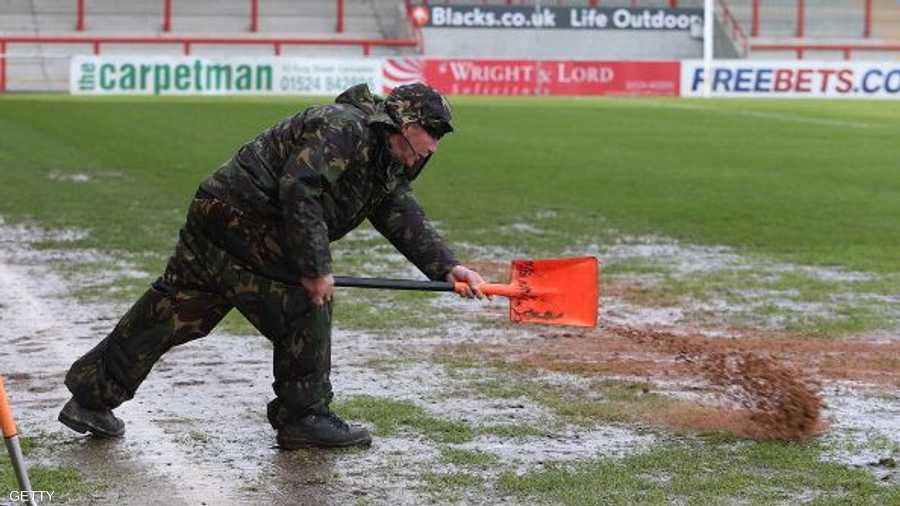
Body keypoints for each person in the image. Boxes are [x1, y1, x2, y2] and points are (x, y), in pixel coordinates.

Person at [58, 82, 487, 450]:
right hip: (247, 219)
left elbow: (396, 208)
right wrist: (315, 266)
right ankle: (304, 416)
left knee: (177, 308)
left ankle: (92, 397)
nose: (428, 151)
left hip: (218, 213)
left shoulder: (386, 154)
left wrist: (446, 267)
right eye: (426, 139)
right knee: (306, 302)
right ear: (403, 125)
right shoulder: (344, 128)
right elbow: (301, 190)